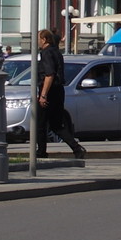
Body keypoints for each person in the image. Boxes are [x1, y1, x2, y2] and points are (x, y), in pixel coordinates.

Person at [33, 29, 87, 158]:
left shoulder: (46, 53)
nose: (37, 42)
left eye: (38, 39)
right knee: (57, 125)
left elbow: (49, 75)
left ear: (44, 40)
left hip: (49, 91)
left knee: (40, 124)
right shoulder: (57, 52)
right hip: (58, 91)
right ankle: (77, 148)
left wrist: (43, 94)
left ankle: (41, 152)